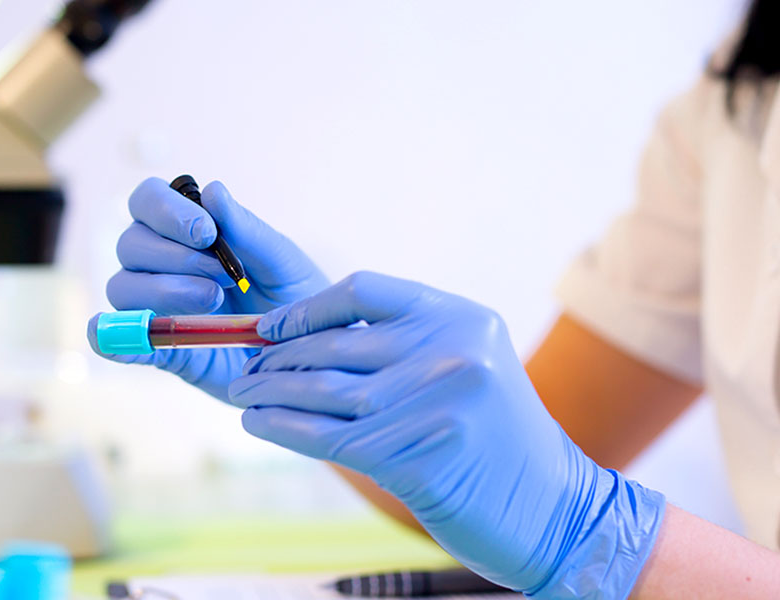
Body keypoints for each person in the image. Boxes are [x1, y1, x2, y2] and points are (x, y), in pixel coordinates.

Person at [88, 1, 780, 598]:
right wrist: (312, 377)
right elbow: (484, 473)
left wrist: (594, 534)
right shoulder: (737, 101)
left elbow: (547, 506)